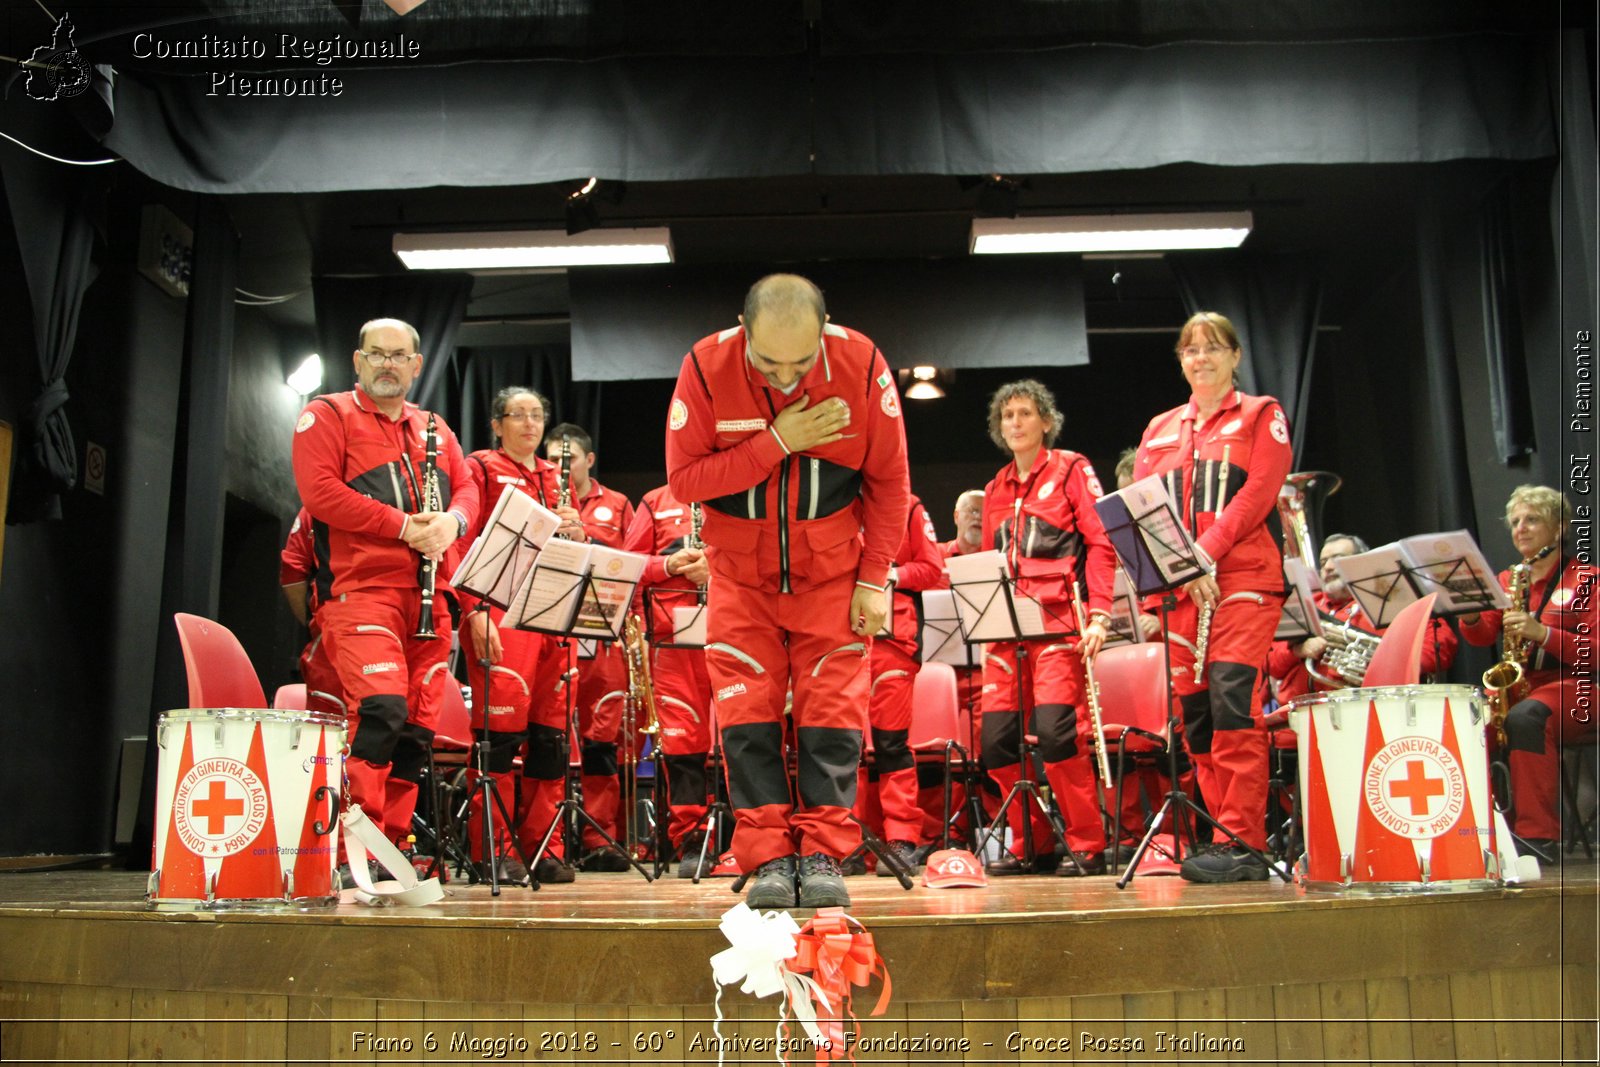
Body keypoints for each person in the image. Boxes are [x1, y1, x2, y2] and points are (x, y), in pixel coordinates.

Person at [665, 273, 910, 909]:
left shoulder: (862, 364)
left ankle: (825, 851)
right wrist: (778, 442)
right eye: (768, 362)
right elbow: (686, 482)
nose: (785, 377)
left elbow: (889, 484)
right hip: (739, 580)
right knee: (746, 720)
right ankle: (769, 854)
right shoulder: (704, 363)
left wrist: (874, 577)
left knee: (833, 719)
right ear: (743, 333)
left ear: (824, 333)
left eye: (801, 362)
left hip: (832, 577)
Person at [291, 317, 480, 871]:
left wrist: (454, 521)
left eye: (398, 356)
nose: (387, 365)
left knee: (418, 732)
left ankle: (390, 848)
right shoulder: (326, 415)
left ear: (417, 365)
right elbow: (320, 494)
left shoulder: (435, 427)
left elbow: (466, 484)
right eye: (376, 354)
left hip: (430, 596)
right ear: (357, 360)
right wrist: (404, 527)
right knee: (380, 711)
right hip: (362, 593)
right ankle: (355, 844)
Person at [1132, 311, 1292, 883]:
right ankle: (1220, 835)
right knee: (1197, 719)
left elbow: (1259, 493)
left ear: (1235, 356)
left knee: (1232, 701)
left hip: (1244, 580)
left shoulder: (1261, 414)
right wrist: (1174, 574)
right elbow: (1145, 508)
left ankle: (1245, 842)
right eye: (1190, 350)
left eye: (1213, 348)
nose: (1201, 358)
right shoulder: (1159, 429)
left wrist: (1204, 551)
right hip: (1183, 593)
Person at [978, 379, 1117, 877]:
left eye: (1024, 413)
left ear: (1045, 421)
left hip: (1059, 628)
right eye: (1007, 416)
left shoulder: (1072, 469)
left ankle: (1087, 842)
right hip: (1004, 633)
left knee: (1058, 738)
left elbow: (1101, 545)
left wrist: (1100, 613)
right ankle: (1032, 841)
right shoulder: (994, 487)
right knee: (995, 747)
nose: (1014, 423)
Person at [453, 387, 581, 885]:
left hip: (551, 615)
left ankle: (542, 847)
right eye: (518, 415)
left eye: (537, 415)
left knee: (551, 742)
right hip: (499, 613)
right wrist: (473, 613)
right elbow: (461, 546)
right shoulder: (481, 468)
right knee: (499, 741)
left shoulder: (555, 478)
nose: (530, 424)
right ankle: (493, 848)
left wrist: (573, 531)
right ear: (496, 423)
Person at [1460, 486, 1598, 861]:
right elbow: (1482, 634)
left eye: (1532, 519)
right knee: (1464, 723)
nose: (1521, 528)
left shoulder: (1586, 580)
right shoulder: (1507, 580)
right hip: (1524, 686)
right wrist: (1470, 613)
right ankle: (1474, 832)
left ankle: (1537, 837)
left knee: (1527, 718)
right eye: (1516, 521)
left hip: (1578, 688)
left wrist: (1545, 635)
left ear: (1559, 529)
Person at [546, 422, 637, 870]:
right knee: (549, 738)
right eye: (553, 461)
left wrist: (587, 538)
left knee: (601, 741)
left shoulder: (618, 504)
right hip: (547, 630)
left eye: (569, 460)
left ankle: (600, 837)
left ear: (588, 461)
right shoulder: (536, 495)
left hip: (600, 634)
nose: (561, 469)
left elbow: (631, 559)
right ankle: (550, 842)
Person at [623, 485, 722, 877]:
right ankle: (692, 838)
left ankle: (745, 838)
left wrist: (714, 566)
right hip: (672, 642)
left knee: (745, 740)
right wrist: (668, 567)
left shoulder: (740, 491)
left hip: (737, 632)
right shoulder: (654, 501)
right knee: (683, 746)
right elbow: (626, 566)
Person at [857, 493, 945, 874]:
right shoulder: (833, 500)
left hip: (893, 642)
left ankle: (902, 837)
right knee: (846, 748)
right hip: (839, 640)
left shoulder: (906, 505)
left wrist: (891, 574)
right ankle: (853, 839)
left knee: (891, 743)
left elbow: (932, 570)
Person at [1268, 532, 1458, 702]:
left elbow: (1440, 645)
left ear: (1360, 561)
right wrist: (1297, 651)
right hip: (1305, 716)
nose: (1328, 567)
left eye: (1338, 558)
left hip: (1372, 708)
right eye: (1324, 561)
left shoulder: (1388, 600)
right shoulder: (1304, 605)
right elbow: (1271, 664)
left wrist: (1383, 660)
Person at [278, 505, 345, 721]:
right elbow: (293, 571)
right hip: (335, 642)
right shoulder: (319, 505)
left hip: (406, 639)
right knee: (329, 736)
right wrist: (315, 624)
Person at [942, 489, 985, 559]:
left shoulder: (996, 558)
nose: (979, 517)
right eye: (973, 511)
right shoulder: (936, 553)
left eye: (985, 513)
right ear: (956, 516)